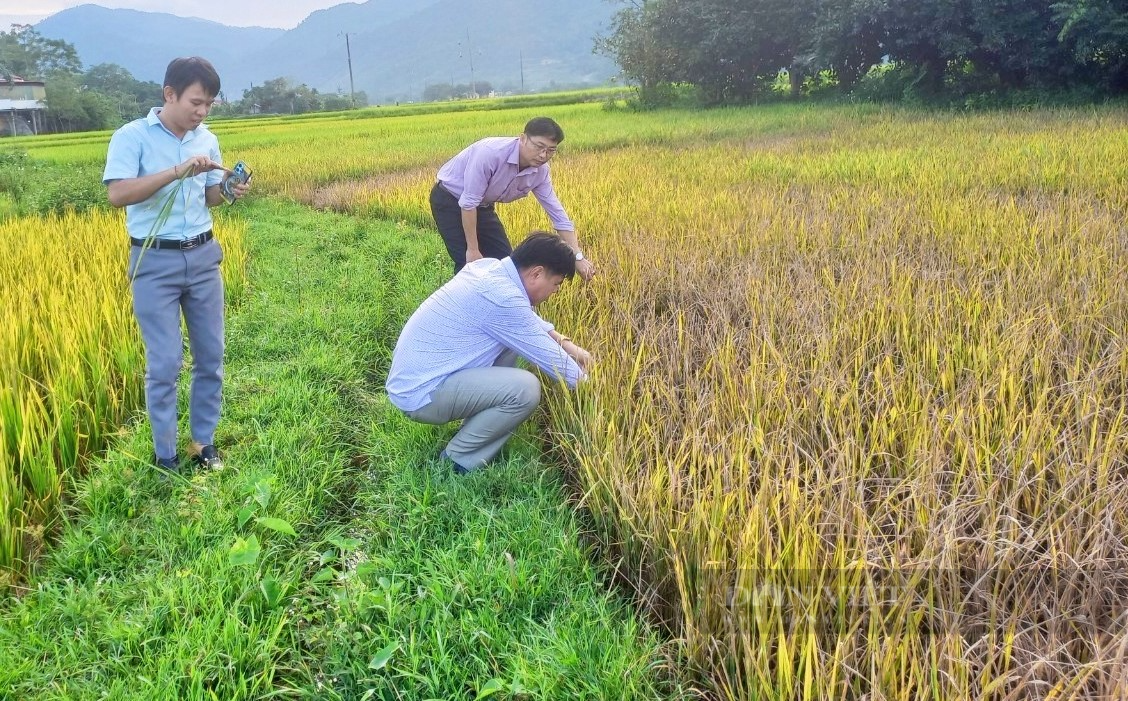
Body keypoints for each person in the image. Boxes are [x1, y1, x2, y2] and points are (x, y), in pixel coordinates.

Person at [103, 56, 251, 474]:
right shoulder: (132, 137)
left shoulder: (208, 138)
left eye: (208, 105)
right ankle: (164, 454)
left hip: (203, 256)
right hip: (154, 260)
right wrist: (177, 170)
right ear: (169, 94)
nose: (201, 112)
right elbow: (118, 194)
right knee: (165, 362)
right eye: (196, 102)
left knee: (211, 356)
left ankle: (203, 442)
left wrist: (230, 189)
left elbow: (210, 198)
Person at [386, 232, 593, 475]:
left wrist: (570, 347)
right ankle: (458, 461)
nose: (555, 292)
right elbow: (555, 363)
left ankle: (475, 427)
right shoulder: (502, 298)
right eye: (556, 284)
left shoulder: (490, 269)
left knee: (508, 345)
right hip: (422, 394)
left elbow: (527, 322)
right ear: (536, 273)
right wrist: (594, 386)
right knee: (525, 389)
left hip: (419, 379)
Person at [430, 117, 596, 281]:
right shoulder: (490, 153)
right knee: (469, 265)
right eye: (539, 147)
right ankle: (466, 304)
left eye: (551, 150)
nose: (543, 155)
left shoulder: (540, 172)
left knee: (507, 264)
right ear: (522, 138)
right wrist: (473, 249)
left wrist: (577, 257)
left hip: (483, 206)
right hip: (449, 199)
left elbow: (558, 215)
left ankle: (502, 306)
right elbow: (468, 203)